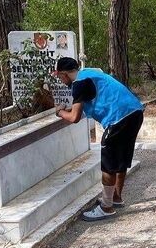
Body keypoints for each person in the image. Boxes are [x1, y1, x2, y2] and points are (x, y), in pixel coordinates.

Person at [54, 57, 144, 221]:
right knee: (121, 158)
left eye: (59, 77)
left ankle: (106, 207)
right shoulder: (89, 74)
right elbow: (83, 106)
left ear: (63, 74)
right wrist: (69, 108)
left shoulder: (79, 84)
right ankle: (116, 197)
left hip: (118, 118)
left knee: (108, 164)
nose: (61, 81)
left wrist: (59, 111)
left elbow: (74, 117)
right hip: (135, 112)